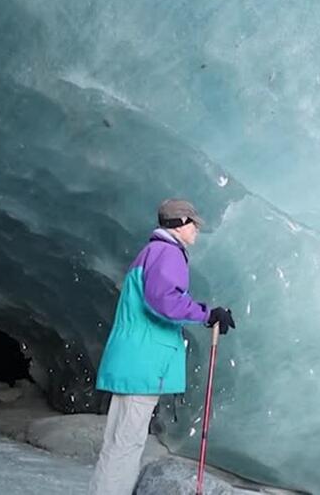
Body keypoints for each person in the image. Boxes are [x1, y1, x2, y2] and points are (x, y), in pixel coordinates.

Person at [89, 199, 236, 495]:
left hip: (133, 358)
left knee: (118, 442)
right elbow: (163, 301)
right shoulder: (168, 253)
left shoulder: (150, 252)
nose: (196, 230)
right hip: (145, 360)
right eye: (193, 223)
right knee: (127, 443)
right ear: (179, 223)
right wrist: (208, 314)